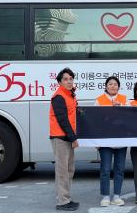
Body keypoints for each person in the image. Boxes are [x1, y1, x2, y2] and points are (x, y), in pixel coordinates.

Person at [49, 67, 79, 211]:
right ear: (60, 82)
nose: (69, 81)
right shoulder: (59, 96)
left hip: (67, 137)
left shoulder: (70, 95)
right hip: (61, 138)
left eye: (71, 79)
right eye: (66, 79)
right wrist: (73, 138)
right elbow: (62, 120)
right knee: (62, 171)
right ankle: (62, 202)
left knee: (69, 170)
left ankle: (66, 198)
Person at [95, 76, 127, 207]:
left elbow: (130, 119)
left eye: (115, 84)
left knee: (119, 169)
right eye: (110, 84)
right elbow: (95, 122)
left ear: (118, 87)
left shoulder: (124, 99)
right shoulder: (99, 100)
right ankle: (106, 196)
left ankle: (117, 195)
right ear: (106, 86)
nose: (113, 86)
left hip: (121, 140)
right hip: (105, 141)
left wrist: (122, 109)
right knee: (105, 170)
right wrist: (96, 143)